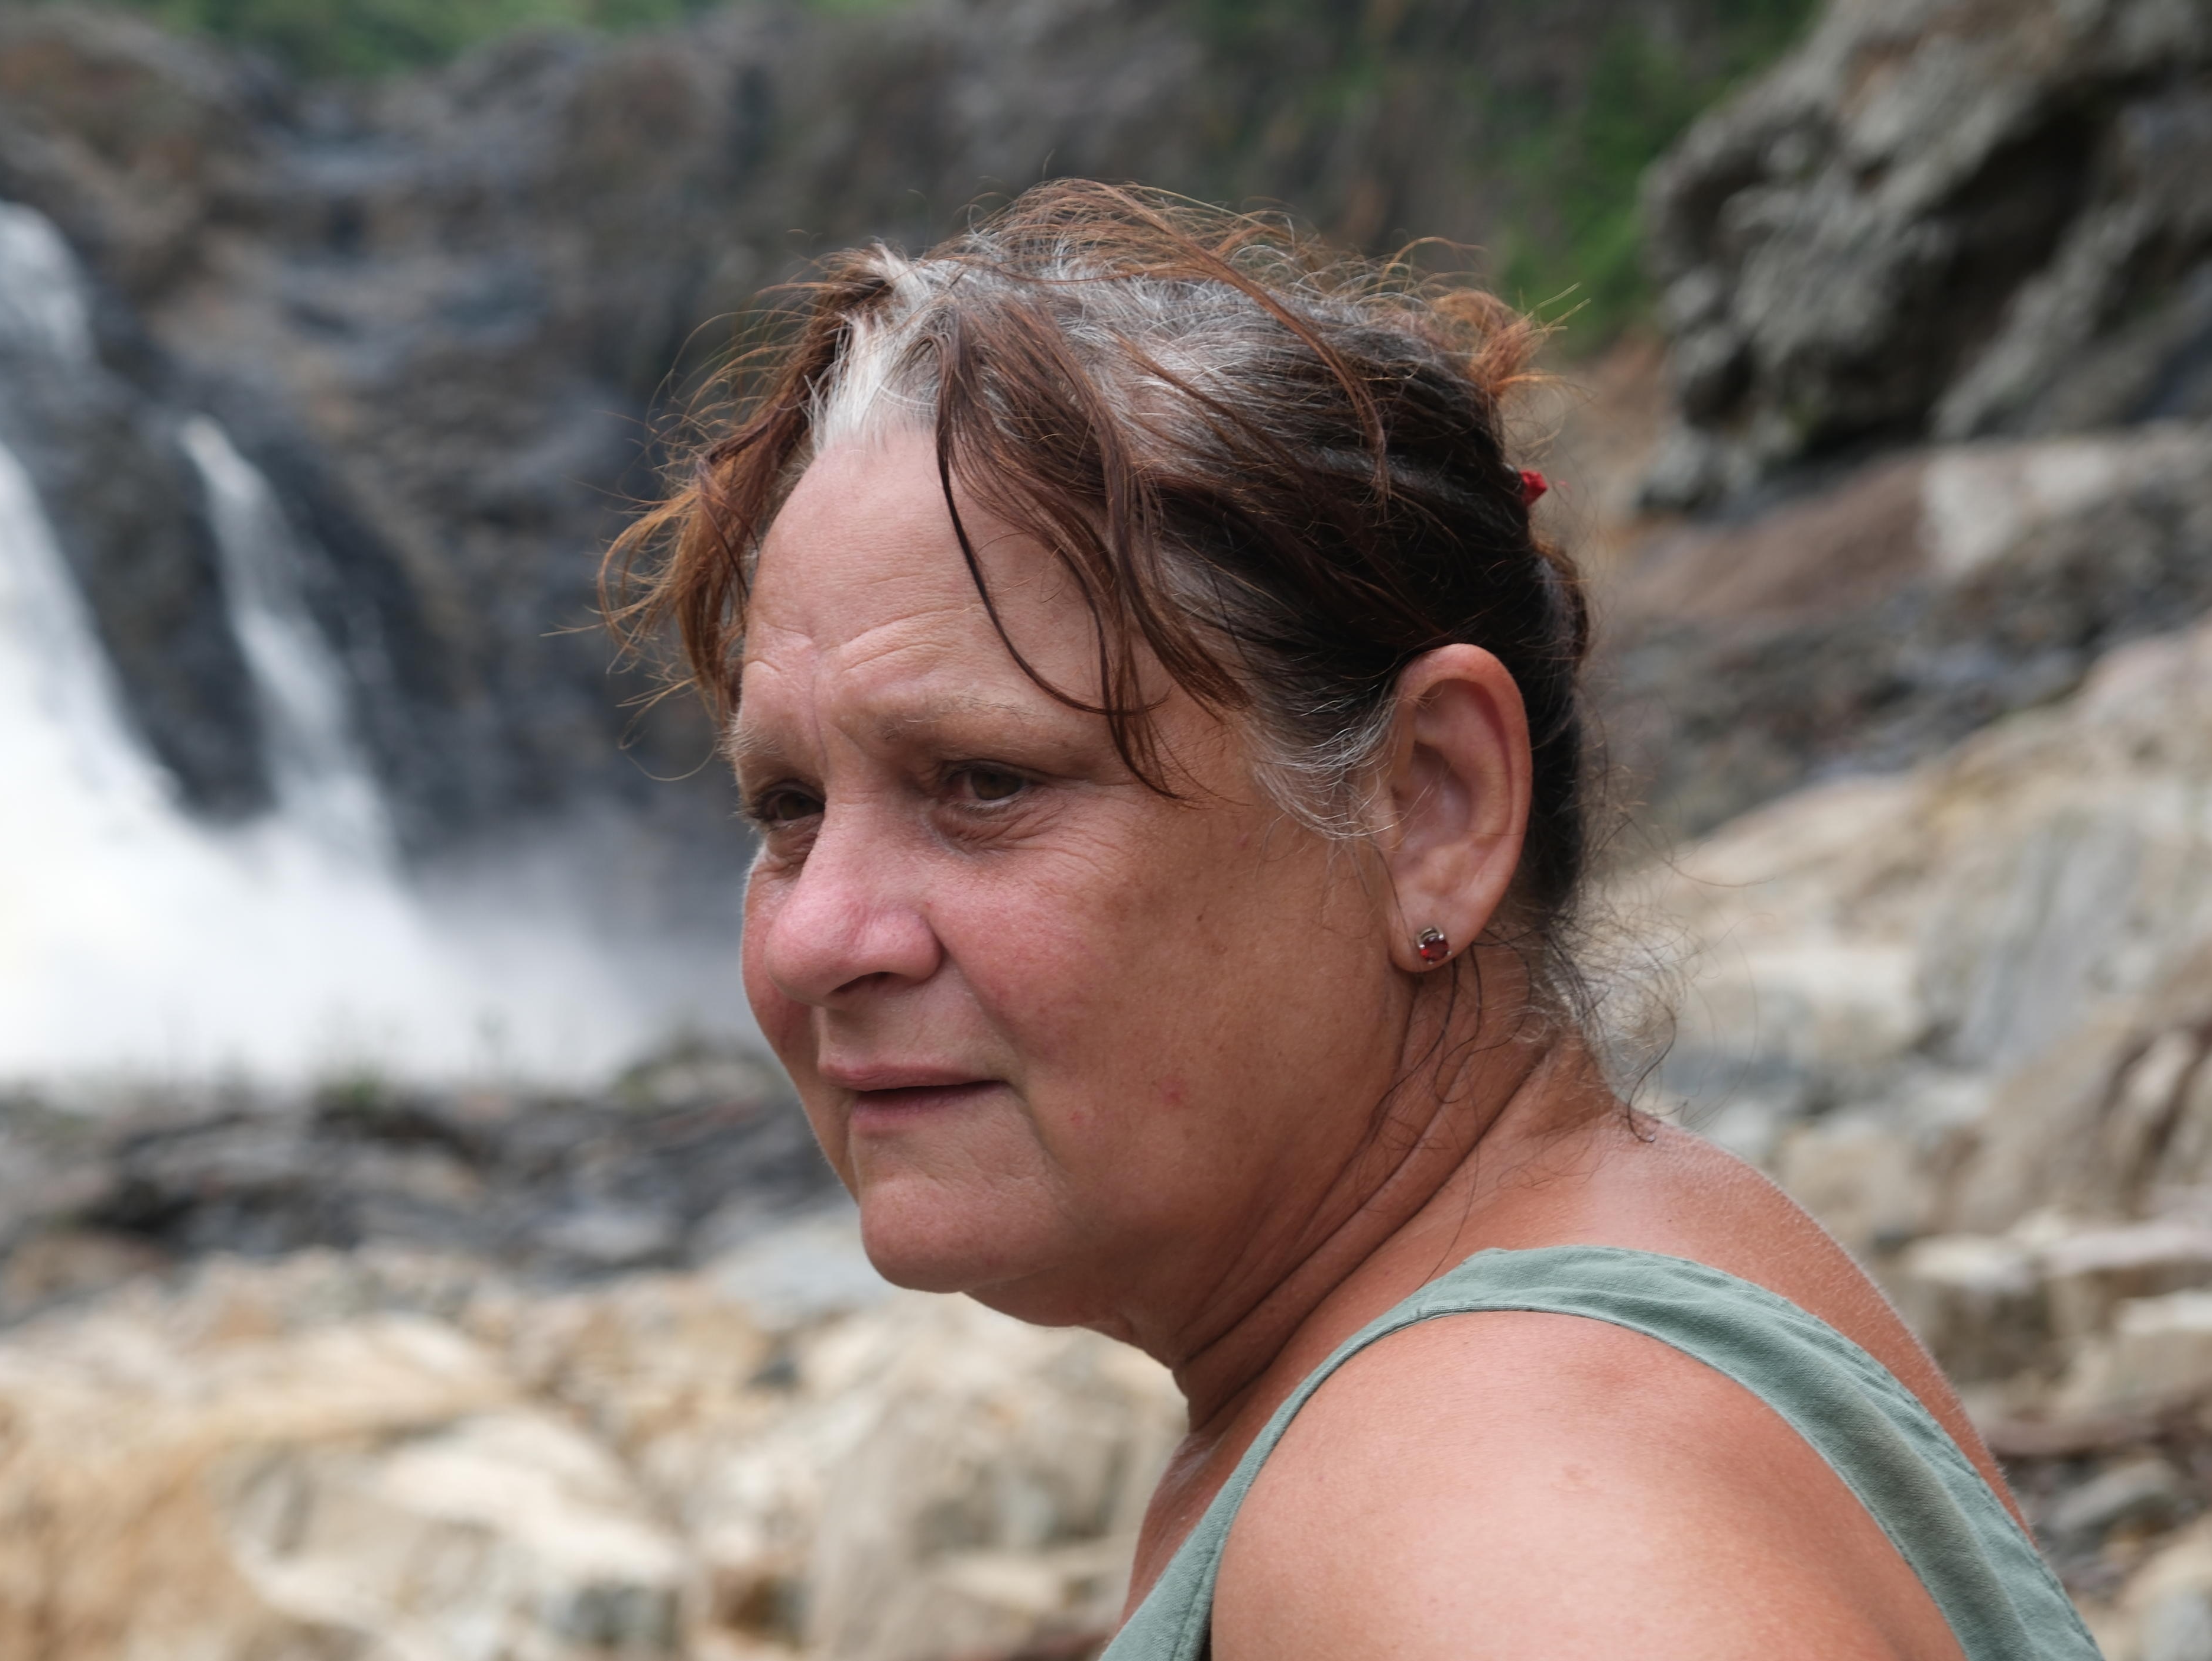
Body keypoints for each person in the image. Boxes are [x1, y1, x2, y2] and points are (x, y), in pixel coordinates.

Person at [605, 181, 2096, 1660]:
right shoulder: (1564, 1334)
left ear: (1430, 808)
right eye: (787, 809)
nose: (816, 939)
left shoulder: (1482, 1498)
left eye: (986, 782)